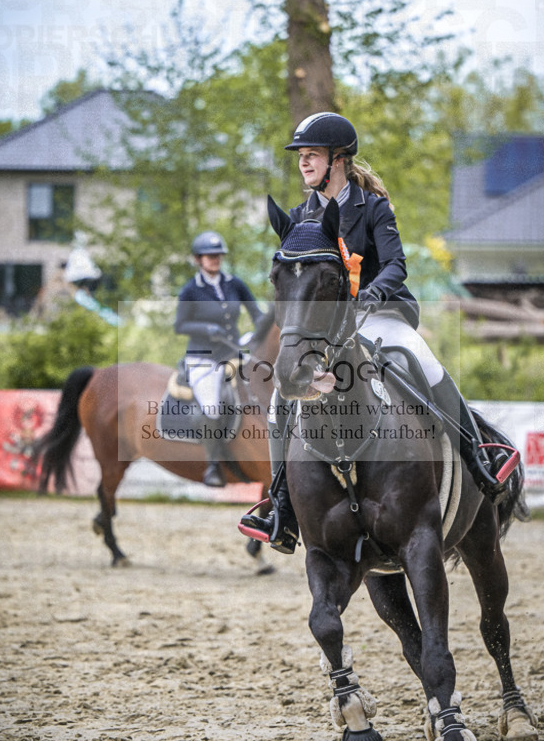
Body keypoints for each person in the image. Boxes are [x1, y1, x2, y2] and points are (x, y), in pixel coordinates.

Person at [239, 111, 517, 553]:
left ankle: (479, 457)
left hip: (381, 313)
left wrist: (369, 296)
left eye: (312, 155)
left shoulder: (372, 208)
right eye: (301, 157)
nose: (304, 163)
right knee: (280, 398)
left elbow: (395, 266)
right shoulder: (299, 217)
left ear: (339, 159)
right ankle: (280, 504)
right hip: (326, 329)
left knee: (423, 360)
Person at [174, 231, 264, 487]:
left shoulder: (234, 283)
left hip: (233, 353)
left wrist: (261, 330)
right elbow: (180, 325)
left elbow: (256, 313)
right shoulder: (191, 290)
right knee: (212, 405)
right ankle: (213, 466)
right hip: (203, 358)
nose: (215, 259)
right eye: (209, 256)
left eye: (218, 255)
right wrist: (205, 329)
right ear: (198, 259)